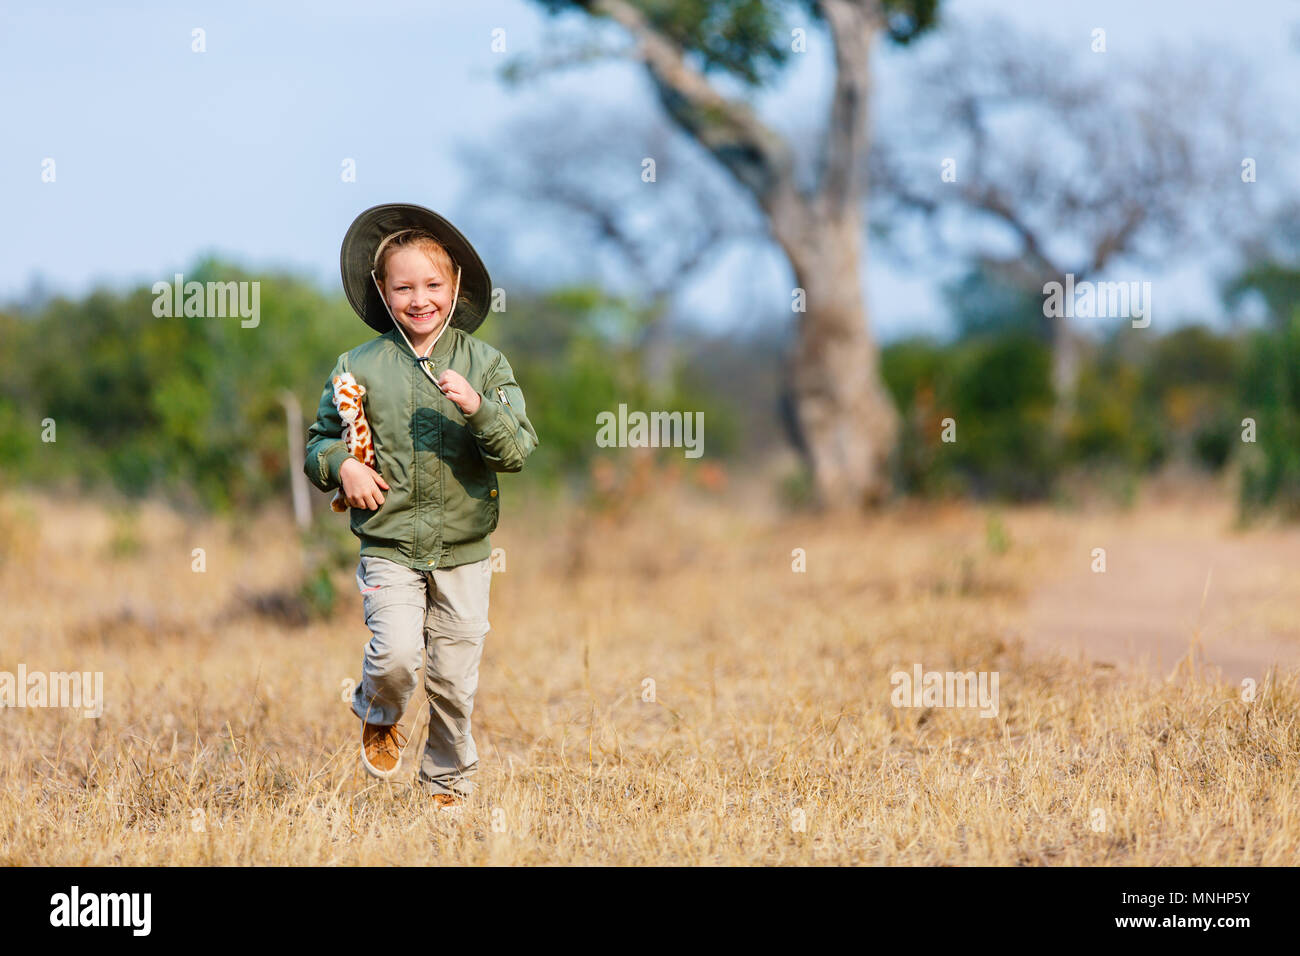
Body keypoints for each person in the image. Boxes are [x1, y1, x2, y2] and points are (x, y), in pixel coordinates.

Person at [305, 203, 539, 809]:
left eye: (432, 285)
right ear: (381, 291)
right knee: (395, 655)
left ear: (455, 286)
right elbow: (319, 443)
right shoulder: (357, 366)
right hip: (388, 544)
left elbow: (517, 448)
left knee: (455, 680)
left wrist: (477, 408)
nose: (419, 299)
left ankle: (447, 783)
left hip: (464, 549)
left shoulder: (485, 365)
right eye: (403, 286)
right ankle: (379, 711)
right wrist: (344, 466)